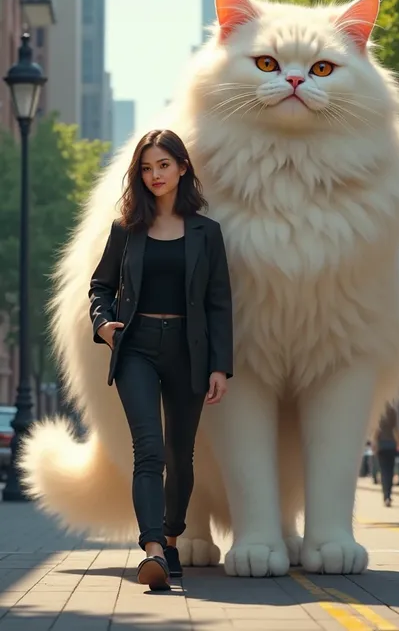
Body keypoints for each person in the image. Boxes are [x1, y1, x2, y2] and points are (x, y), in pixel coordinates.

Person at [88, 129, 233, 590]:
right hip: (136, 346)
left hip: (188, 351)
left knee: (180, 455)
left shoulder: (207, 233)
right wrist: (103, 323)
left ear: (182, 168)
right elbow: (101, 287)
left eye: (163, 165)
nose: (154, 175)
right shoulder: (125, 230)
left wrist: (219, 366)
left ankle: (171, 536)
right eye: (146, 168)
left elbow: (219, 304)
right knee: (148, 450)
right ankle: (151, 548)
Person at [372, 404, 399, 506]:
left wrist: (374, 444)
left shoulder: (378, 410)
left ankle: (386, 496)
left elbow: (376, 430)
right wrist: (398, 442)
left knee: (384, 471)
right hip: (391, 445)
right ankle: (389, 495)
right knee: (390, 471)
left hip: (381, 446)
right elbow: (395, 428)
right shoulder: (392, 411)